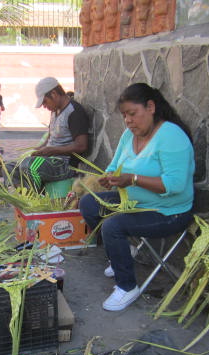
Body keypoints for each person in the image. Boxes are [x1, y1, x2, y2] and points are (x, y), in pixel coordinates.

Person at [80, 83, 194, 311]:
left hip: (169, 211)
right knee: (89, 204)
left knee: (113, 226)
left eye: (133, 114)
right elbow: (114, 165)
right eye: (124, 116)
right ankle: (122, 254)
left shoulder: (171, 135)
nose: (129, 121)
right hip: (134, 204)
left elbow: (175, 185)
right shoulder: (128, 135)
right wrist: (109, 177)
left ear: (150, 107)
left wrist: (132, 179)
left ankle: (127, 287)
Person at [13, 77, 89, 190]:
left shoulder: (74, 111)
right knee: (12, 167)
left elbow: (82, 145)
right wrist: (37, 150)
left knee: (29, 166)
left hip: (64, 164)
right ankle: (23, 199)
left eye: (44, 102)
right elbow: (50, 138)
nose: (44, 106)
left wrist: (53, 150)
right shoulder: (54, 111)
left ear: (53, 94)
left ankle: (36, 199)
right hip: (50, 158)